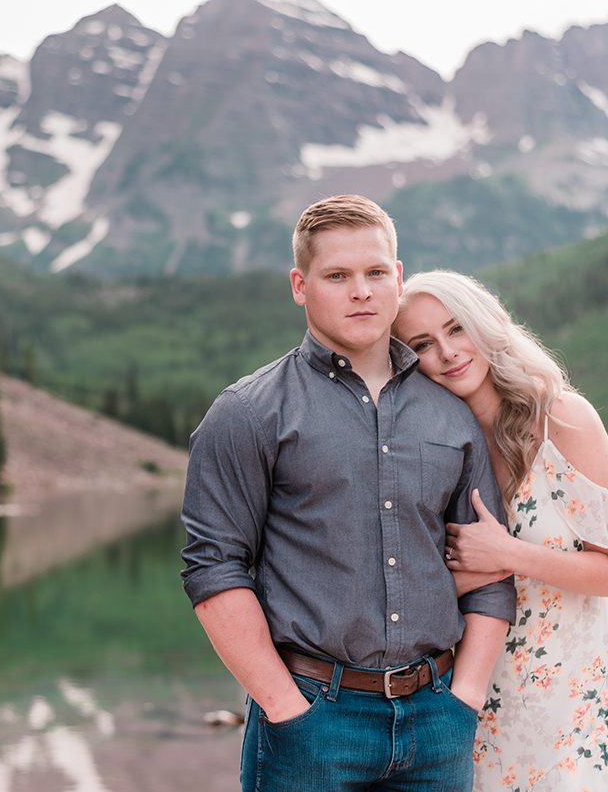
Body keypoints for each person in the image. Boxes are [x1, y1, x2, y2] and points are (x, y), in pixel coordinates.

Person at [180, 195, 516, 791]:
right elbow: (214, 568)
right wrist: (285, 708)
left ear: (398, 278)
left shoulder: (451, 415)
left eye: (375, 273)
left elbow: (488, 565)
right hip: (311, 723)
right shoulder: (249, 414)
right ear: (300, 285)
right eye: (337, 276)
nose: (361, 291)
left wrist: (466, 695)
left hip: (438, 721)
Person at [392, 270, 608, 791]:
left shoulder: (563, 418)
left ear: (486, 327)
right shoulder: (434, 450)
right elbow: (435, 580)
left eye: (457, 329)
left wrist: (507, 552)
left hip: (573, 696)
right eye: (423, 343)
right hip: (478, 692)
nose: (447, 352)